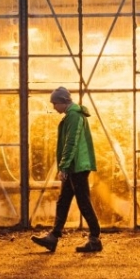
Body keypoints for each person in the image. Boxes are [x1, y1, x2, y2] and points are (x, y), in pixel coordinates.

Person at [31, 87, 102, 253]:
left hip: (78, 165)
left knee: (83, 201)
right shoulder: (72, 116)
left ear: (63, 102)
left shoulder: (74, 116)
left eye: (55, 103)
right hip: (73, 165)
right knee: (63, 201)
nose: (54, 107)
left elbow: (71, 143)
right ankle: (53, 237)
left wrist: (63, 166)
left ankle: (95, 237)